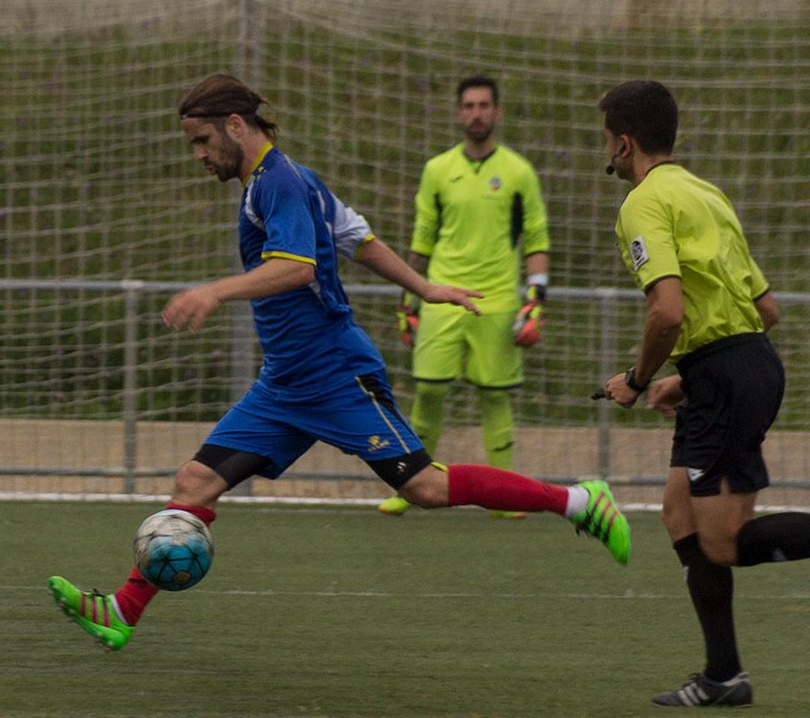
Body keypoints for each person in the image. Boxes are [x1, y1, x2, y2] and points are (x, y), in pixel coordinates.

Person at [47, 73, 630, 652]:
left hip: (334, 374)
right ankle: (122, 610)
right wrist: (423, 287)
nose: (198, 155)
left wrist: (214, 291)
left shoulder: (278, 182)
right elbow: (357, 236)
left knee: (425, 486)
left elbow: (298, 267)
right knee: (195, 482)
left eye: (202, 141)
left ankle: (581, 501)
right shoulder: (288, 180)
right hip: (285, 384)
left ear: (234, 125)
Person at [595, 79, 810, 708]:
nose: (608, 158)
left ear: (624, 143)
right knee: (681, 513)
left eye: (607, 145)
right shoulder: (706, 193)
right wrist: (693, 374)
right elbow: (766, 307)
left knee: (725, 539)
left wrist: (640, 380)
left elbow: (667, 313)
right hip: (734, 366)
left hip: (729, 376)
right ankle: (723, 674)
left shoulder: (643, 204)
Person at [378, 75, 550, 522]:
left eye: (484, 105)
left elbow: (536, 240)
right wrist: (408, 302)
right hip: (440, 296)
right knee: (428, 390)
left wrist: (536, 301)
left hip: (496, 301)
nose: (476, 113)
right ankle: (409, 485)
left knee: (495, 397)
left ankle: (506, 494)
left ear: (497, 112)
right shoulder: (438, 170)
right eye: (469, 106)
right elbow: (422, 239)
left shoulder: (518, 173)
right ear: (459, 113)